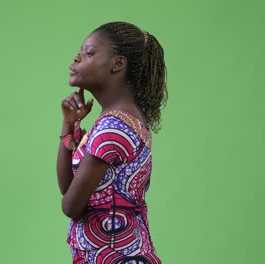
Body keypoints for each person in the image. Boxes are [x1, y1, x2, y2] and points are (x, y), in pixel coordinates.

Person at [56, 21, 167, 264]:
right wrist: (68, 126)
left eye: (89, 53)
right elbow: (68, 187)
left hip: (115, 256)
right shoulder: (121, 118)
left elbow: (71, 206)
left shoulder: (112, 128)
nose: (77, 58)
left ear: (118, 64)